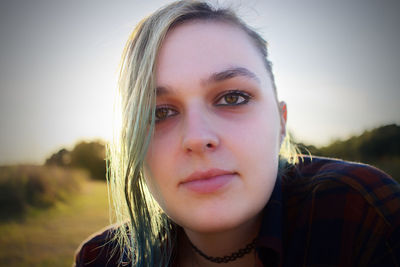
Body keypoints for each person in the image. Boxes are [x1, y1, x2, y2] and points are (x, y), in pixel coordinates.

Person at [74, 1, 400, 266]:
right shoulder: (102, 260)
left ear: (281, 121)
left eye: (233, 98)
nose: (197, 138)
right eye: (159, 113)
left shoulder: (362, 214)